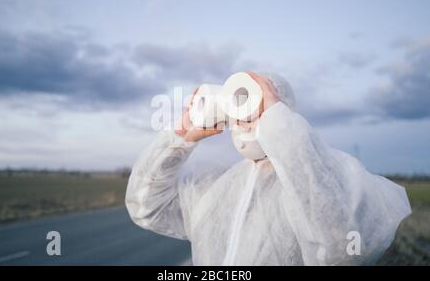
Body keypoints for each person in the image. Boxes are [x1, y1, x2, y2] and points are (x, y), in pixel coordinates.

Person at [125, 72, 411, 265]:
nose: (245, 117)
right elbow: (145, 207)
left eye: (260, 104)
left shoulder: (323, 177)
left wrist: (278, 128)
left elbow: (341, 253)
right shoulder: (215, 188)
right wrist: (179, 137)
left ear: (285, 114)